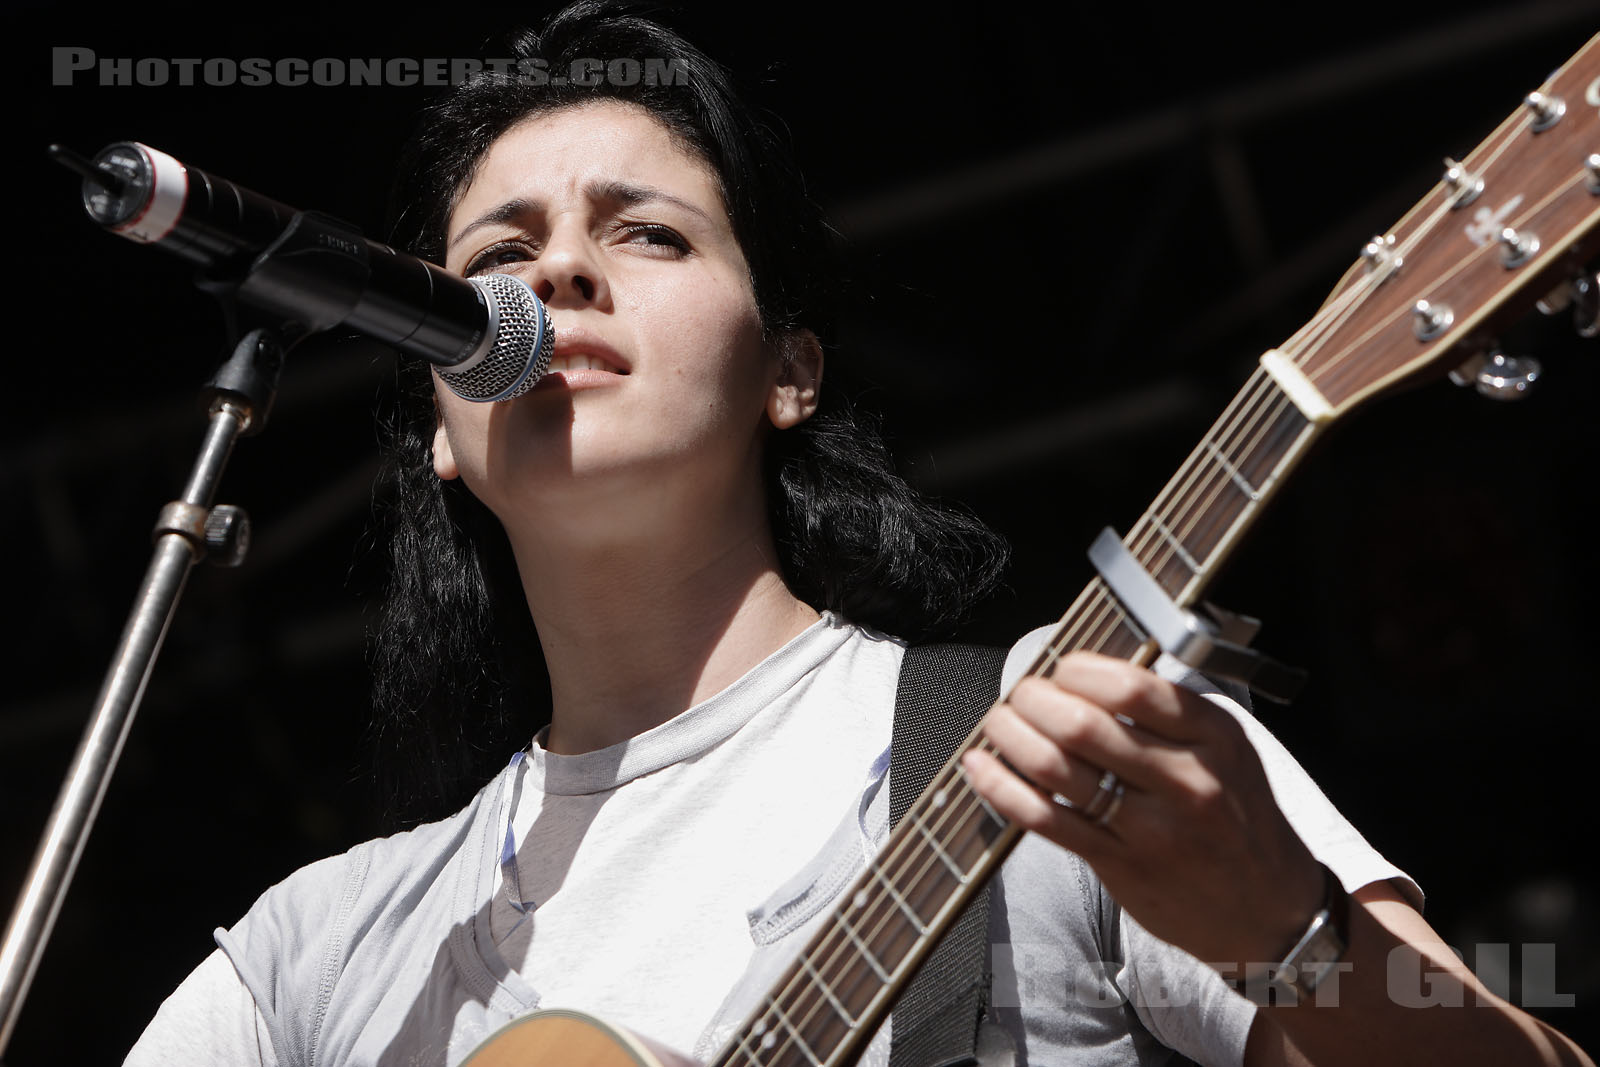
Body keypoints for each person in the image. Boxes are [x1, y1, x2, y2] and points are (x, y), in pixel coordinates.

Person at [123, 4, 1593, 1065]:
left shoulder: (1061, 742)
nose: (558, 266)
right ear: (445, 424)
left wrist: (1290, 934)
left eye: (647, 233)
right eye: (498, 257)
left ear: (788, 374)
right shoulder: (310, 968)